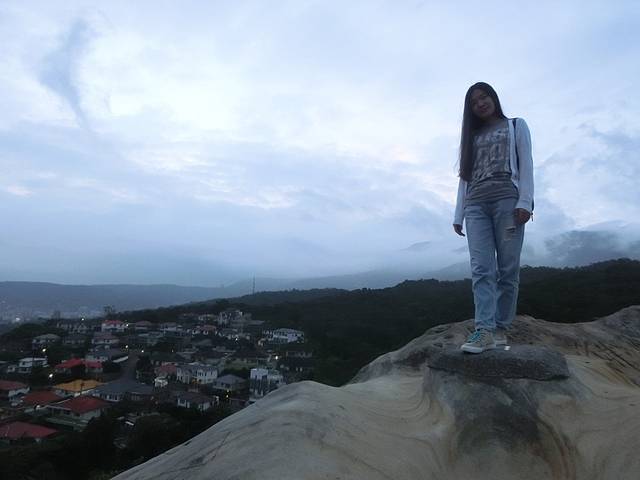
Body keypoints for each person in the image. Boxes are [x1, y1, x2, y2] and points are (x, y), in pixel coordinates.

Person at [453, 82, 534, 354]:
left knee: (508, 269)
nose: (480, 103)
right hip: (475, 206)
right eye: (474, 102)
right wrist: (459, 213)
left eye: (483, 97)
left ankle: (500, 327)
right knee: (481, 269)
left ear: (493, 97)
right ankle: (484, 329)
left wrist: (525, 201)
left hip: (507, 201)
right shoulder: (471, 137)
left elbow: (527, 164)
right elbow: (465, 178)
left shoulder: (515, 125)